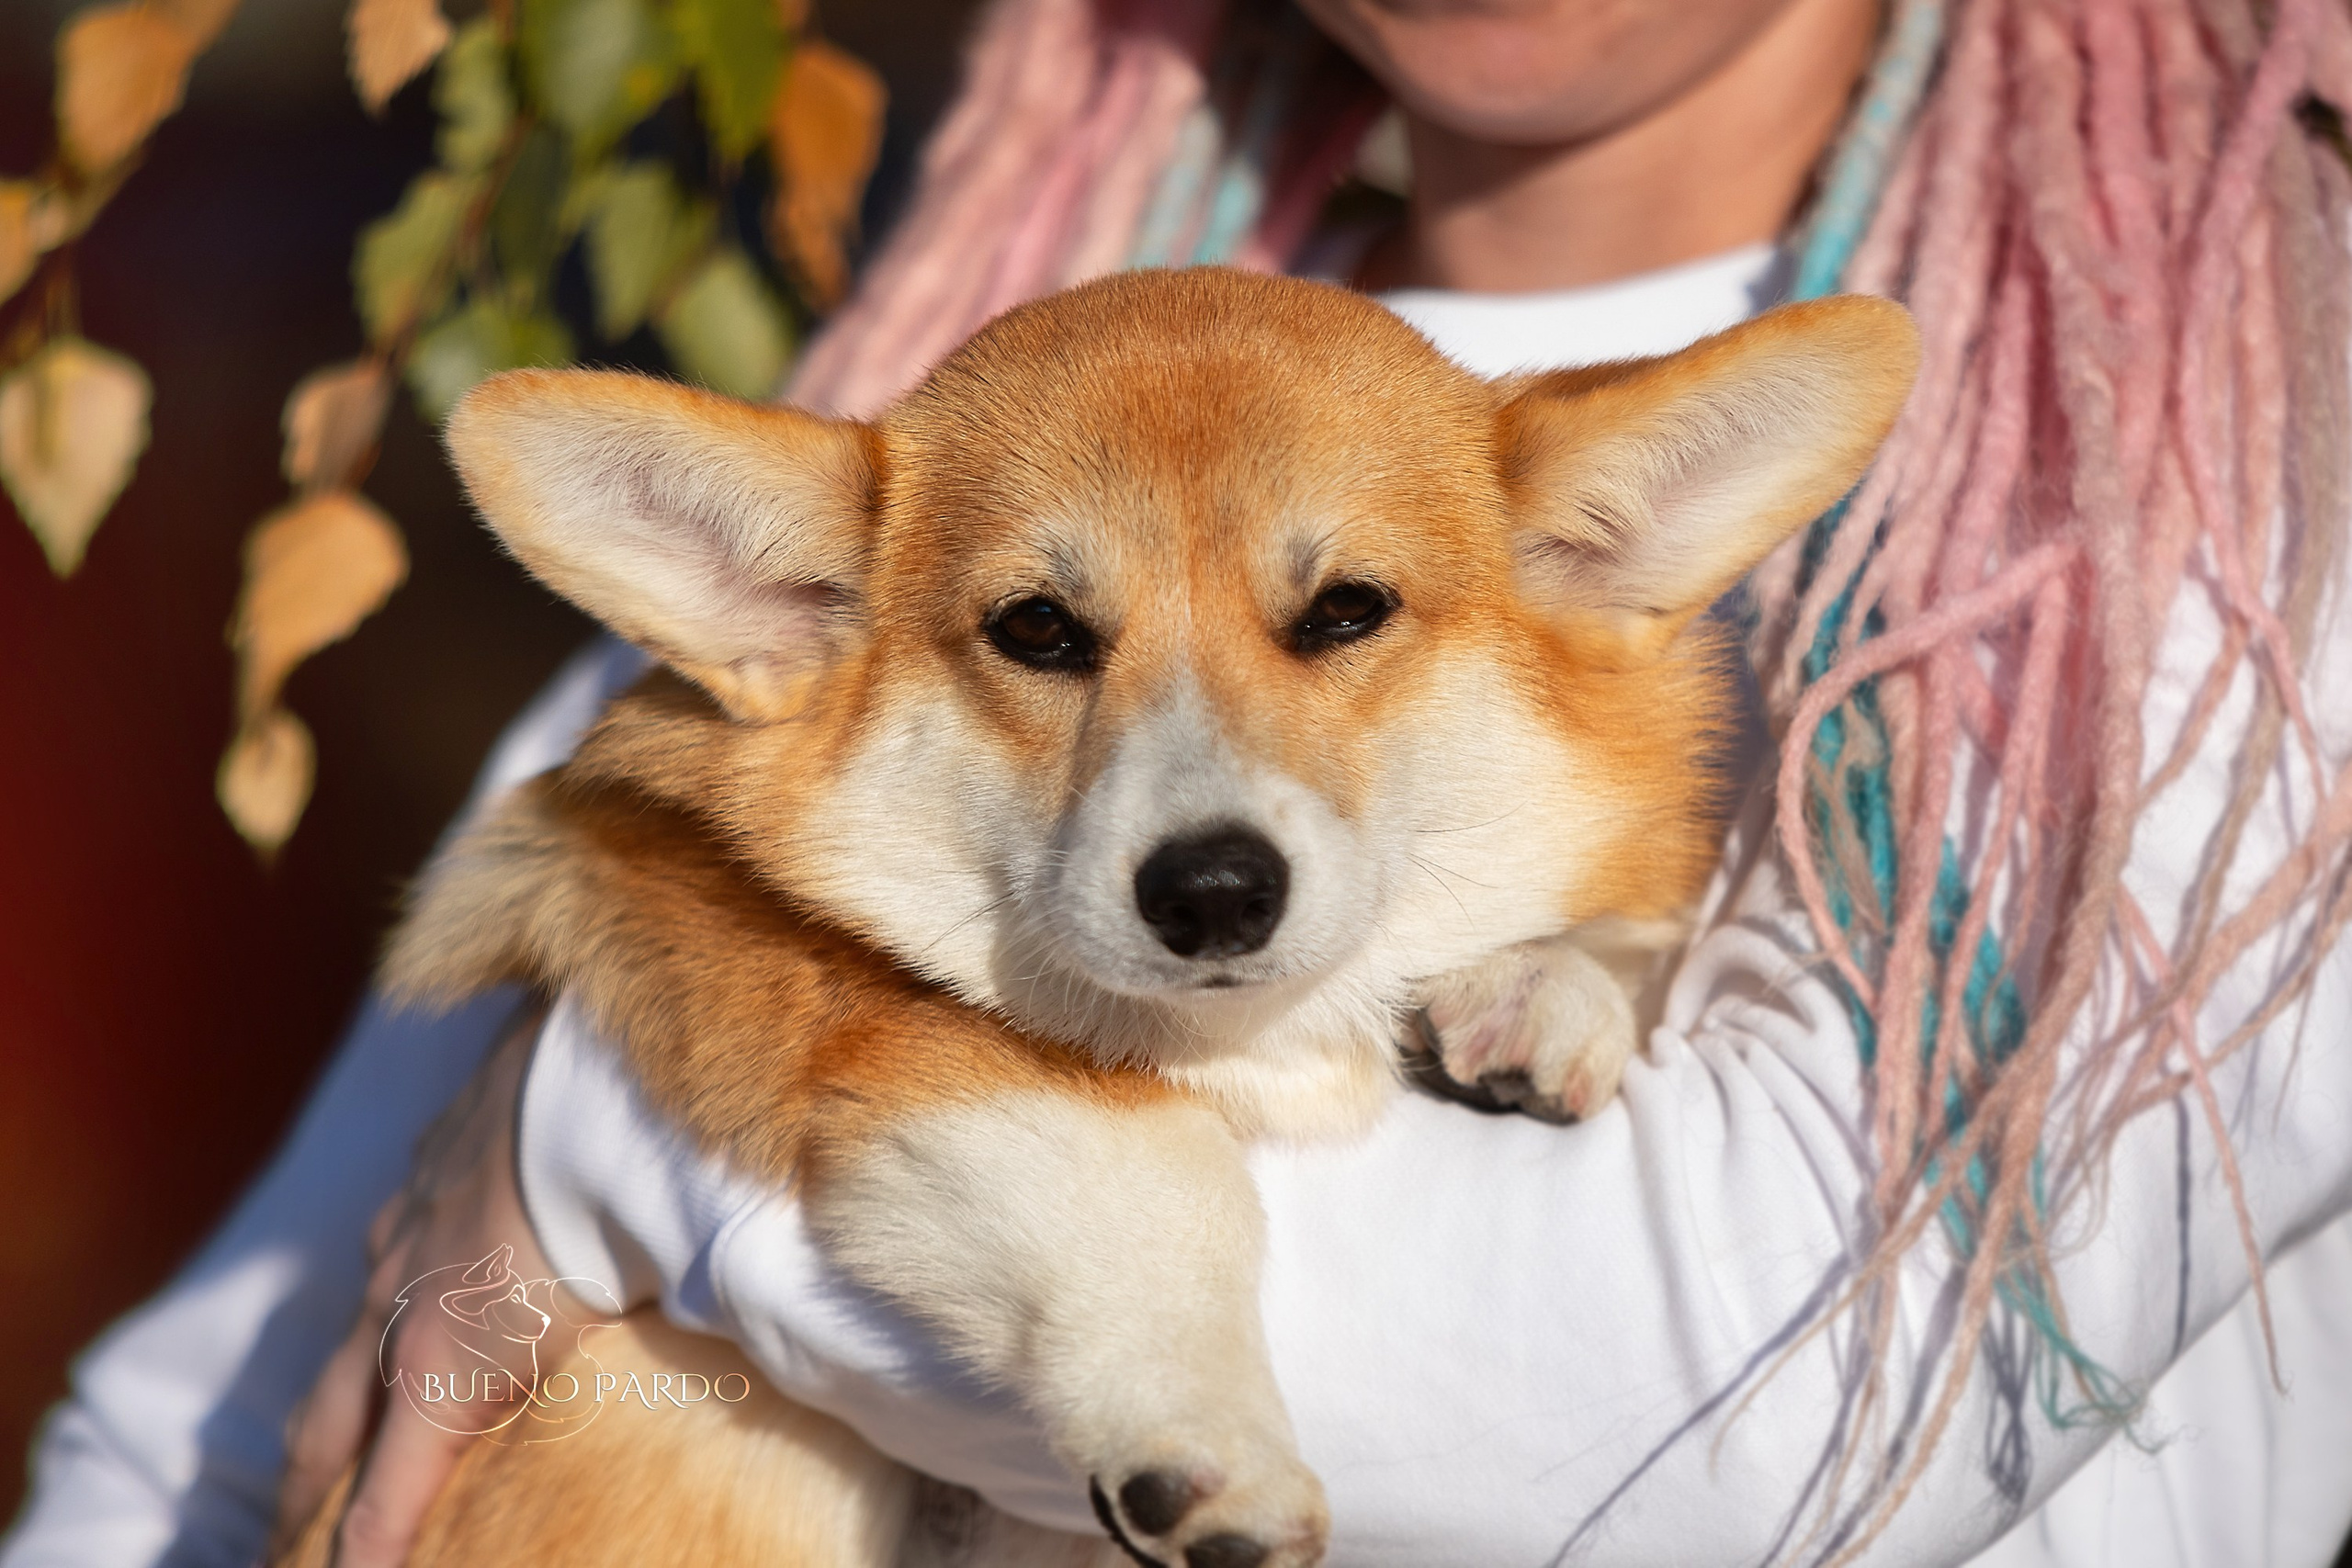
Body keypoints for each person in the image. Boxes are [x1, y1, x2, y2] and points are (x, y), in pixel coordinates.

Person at [10, 0, 2352, 1562]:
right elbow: (202, 1423)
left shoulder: (2243, 437)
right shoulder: (956, 417)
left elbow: (1760, 1417)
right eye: (1046, 639)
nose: (1200, 782)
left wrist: (633, 1117)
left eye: (1336, 618)